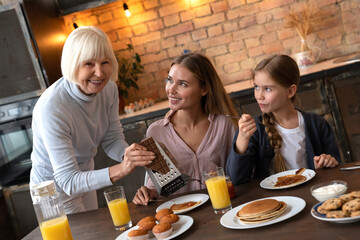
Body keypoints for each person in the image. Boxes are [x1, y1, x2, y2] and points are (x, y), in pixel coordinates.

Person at [30, 26, 155, 214]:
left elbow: (112, 140)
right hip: (53, 189)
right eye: (89, 64)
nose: (99, 72)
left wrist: (131, 155)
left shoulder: (109, 89)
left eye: (105, 62)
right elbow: (68, 181)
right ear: (73, 64)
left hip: (84, 175)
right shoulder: (52, 107)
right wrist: (122, 168)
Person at [132, 52, 238, 205]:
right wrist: (149, 192)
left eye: (183, 84)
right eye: (170, 80)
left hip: (221, 209)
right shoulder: (156, 132)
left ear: (204, 90)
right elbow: (157, 184)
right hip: (180, 218)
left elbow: (237, 174)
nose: (171, 89)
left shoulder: (224, 126)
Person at [226, 54, 340, 185]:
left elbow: (335, 169)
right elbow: (235, 180)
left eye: (267, 89)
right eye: (256, 87)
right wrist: (242, 139)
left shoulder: (318, 124)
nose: (259, 96)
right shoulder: (255, 131)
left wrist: (326, 164)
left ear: (290, 91)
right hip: (273, 201)